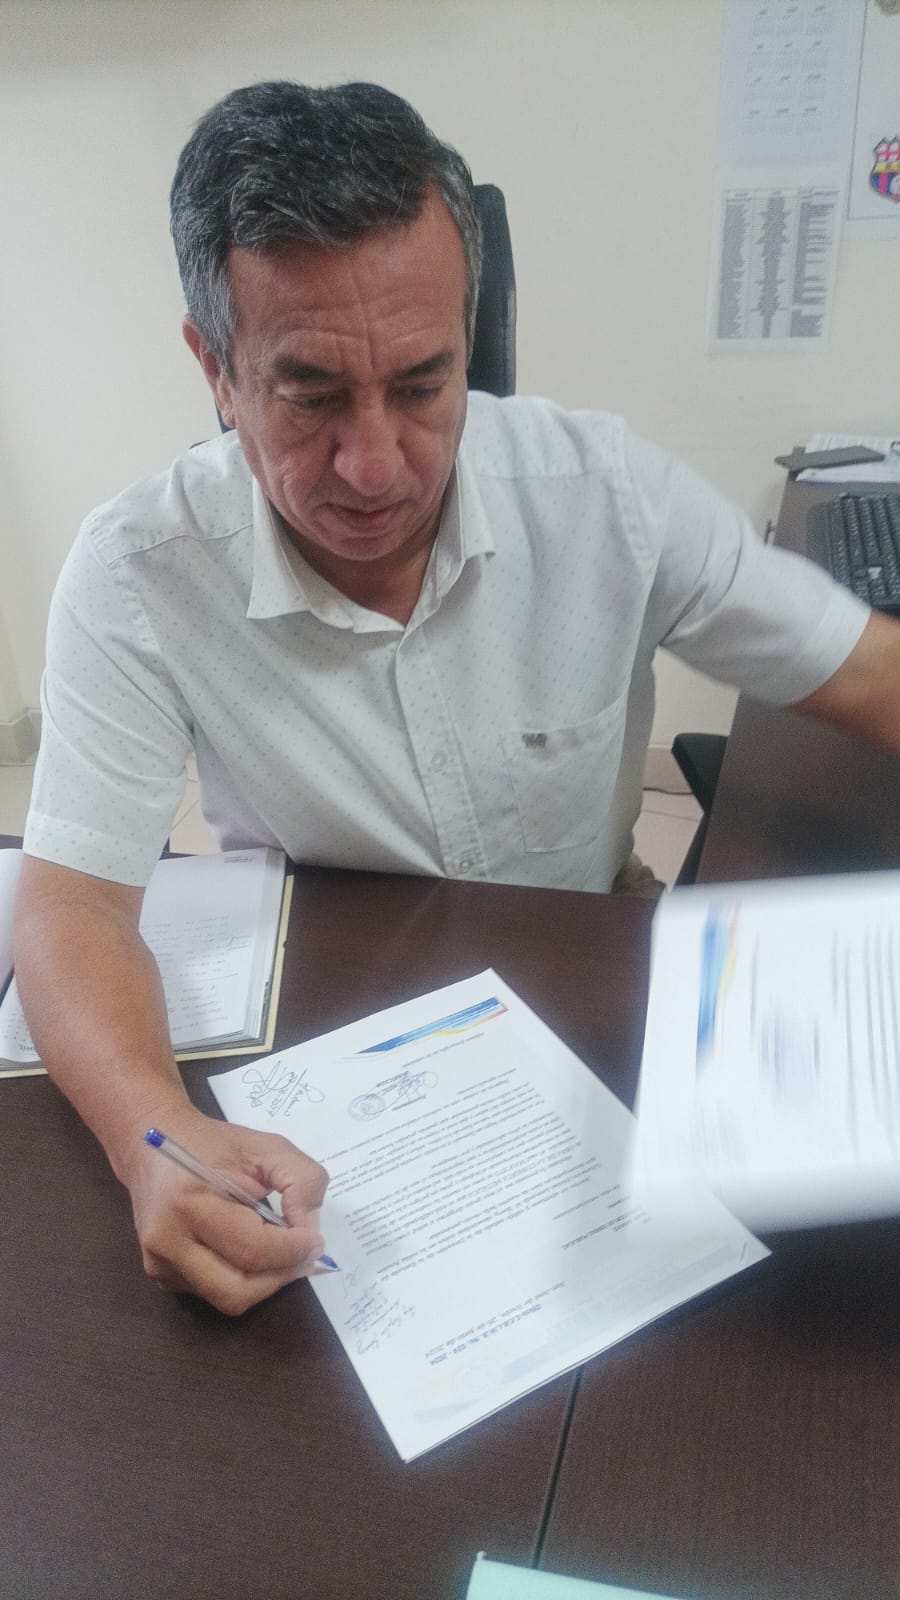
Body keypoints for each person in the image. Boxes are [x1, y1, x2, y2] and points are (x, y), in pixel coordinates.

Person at [13, 80, 900, 1316]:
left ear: (467, 338)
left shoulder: (607, 498)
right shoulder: (139, 571)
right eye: (311, 394)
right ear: (214, 369)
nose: (376, 465)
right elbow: (71, 904)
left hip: (593, 960)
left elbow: (870, 671)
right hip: (325, 1015)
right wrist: (150, 1134)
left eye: (424, 384)